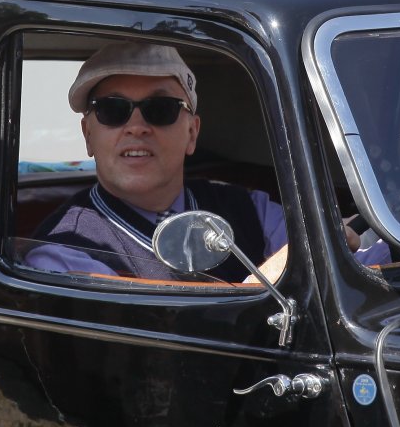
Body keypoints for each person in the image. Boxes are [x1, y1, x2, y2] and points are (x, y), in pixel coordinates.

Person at [25, 41, 289, 283]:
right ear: (88, 136)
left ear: (192, 133)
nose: (136, 127)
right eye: (112, 110)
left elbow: (309, 244)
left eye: (161, 108)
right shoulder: (64, 247)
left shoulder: (251, 210)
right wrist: (258, 289)